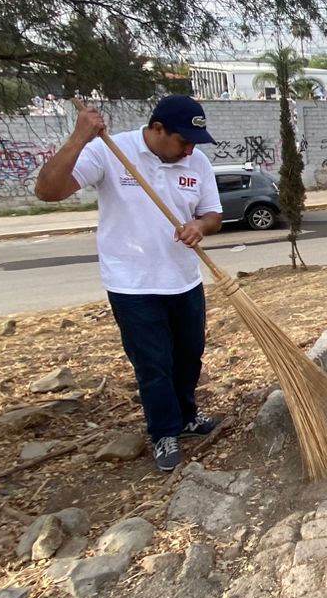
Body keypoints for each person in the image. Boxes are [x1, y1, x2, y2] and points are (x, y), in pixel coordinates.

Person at [34, 95, 224, 472]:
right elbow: (48, 191)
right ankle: (164, 431)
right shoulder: (110, 151)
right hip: (133, 285)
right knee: (153, 365)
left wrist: (198, 226)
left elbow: (213, 214)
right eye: (182, 140)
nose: (189, 149)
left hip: (184, 280)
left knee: (189, 356)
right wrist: (79, 138)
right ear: (157, 130)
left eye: (193, 142)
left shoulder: (196, 162)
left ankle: (186, 417)